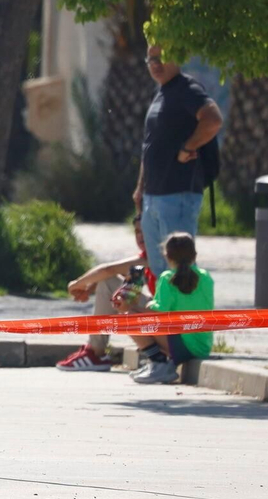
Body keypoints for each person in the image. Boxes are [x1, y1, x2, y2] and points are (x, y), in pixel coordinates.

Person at [134, 45, 222, 258]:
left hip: (177, 195)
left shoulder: (187, 89)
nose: (155, 64)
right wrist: (140, 189)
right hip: (153, 197)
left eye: (161, 58)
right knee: (159, 271)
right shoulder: (161, 93)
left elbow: (213, 119)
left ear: (177, 57)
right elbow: (151, 144)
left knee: (179, 269)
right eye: (150, 59)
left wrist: (187, 147)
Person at [57, 217, 157, 371]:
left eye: (144, 231)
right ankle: (95, 352)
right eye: (137, 231)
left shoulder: (155, 256)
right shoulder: (145, 258)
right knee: (112, 284)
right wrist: (89, 288)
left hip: (174, 325)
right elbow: (130, 282)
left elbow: (108, 270)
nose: (140, 236)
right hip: (165, 318)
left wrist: (77, 284)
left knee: (108, 280)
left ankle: (96, 353)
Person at [118, 232, 213, 385]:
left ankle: (159, 363)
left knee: (128, 318)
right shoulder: (206, 277)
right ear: (194, 255)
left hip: (182, 346)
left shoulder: (167, 278)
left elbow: (159, 313)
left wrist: (133, 305)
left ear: (167, 256)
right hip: (202, 345)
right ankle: (159, 363)